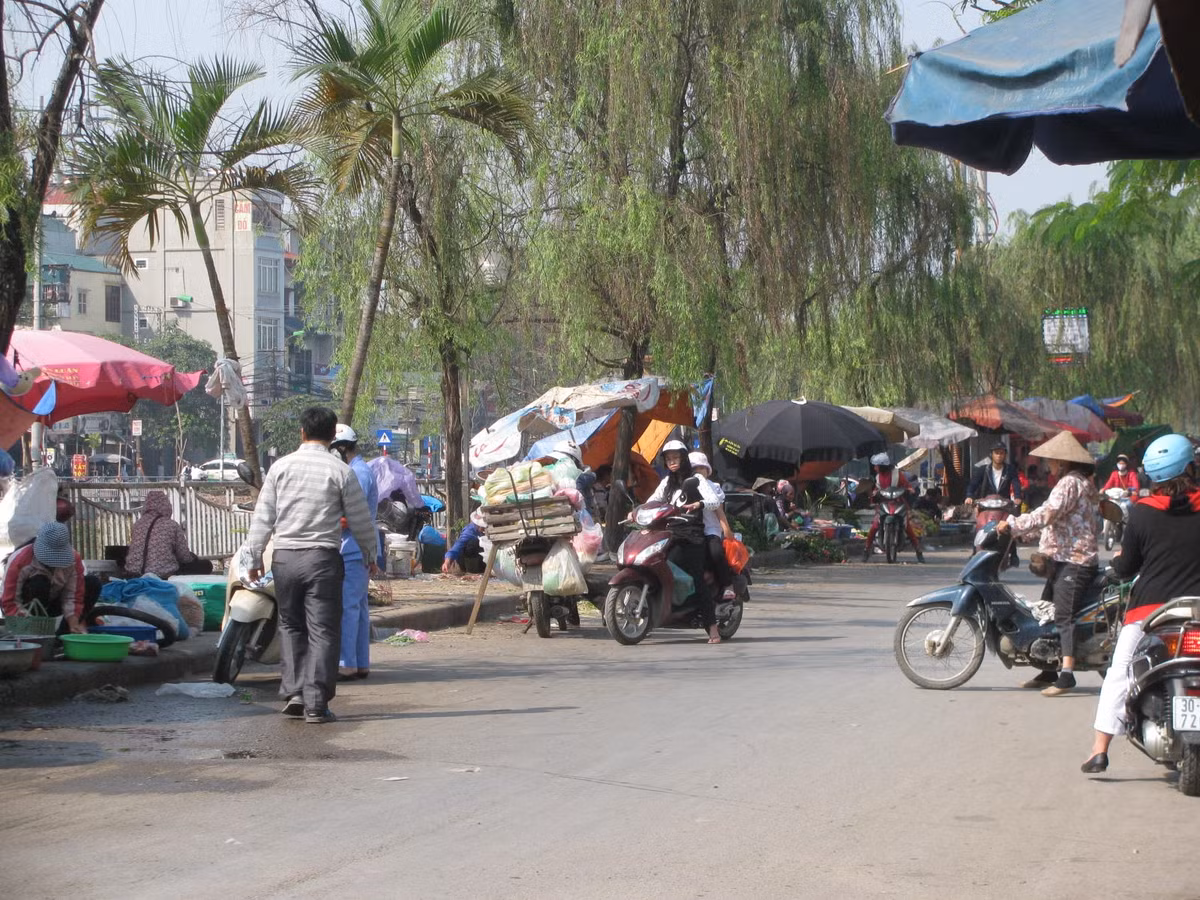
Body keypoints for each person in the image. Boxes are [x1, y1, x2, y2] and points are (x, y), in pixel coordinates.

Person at [245, 407, 378, 725]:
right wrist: (370, 556)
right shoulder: (341, 471)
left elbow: (263, 518)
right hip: (322, 559)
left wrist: (252, 558)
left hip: (285, 558)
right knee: (323, 630)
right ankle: (316, 704)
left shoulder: (281, 467)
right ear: (333, 436)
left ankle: (294, 694)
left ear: (302, 433)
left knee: (291, 627)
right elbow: (360, 520)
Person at [1081, 434, 1200, 773]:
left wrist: (1116, 565)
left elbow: (1128, 566)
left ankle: (1099, 749)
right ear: (1190, 467)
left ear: (1151, 476)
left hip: (1152, 611)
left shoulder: (1143, 514)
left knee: (1119, 671)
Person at [996, 431, 1100, 696]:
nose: (1048, 465)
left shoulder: (1069, 483)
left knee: (1062, 615)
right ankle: (1048, 670)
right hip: (1062, 559)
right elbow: (1056, 522)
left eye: (1051, 460)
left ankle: (1066, 675)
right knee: (1047, 613)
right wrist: (1022, 532)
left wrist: (1014, 524)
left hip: (1075, 561)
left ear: (1062, 461)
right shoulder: (1076, 483)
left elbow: (1048, 513)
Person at [648, 439, 723, 643]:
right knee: (654, 564)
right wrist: (636, 512)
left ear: (683, 458)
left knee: (696, 578)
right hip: (670, 533)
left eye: (676, 457)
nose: (672, 461)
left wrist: (699, 503)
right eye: (668, 459)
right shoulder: (667, 482)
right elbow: (652, 501)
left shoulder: (696, 479)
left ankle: (712, 627)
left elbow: (714, 501)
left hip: (692, 535)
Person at [330, 424, 379, 681]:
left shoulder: (357, 474)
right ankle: (360, 662)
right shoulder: (360, 469)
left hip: (352, 547)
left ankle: (346, 663)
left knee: (348, 606)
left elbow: (351, 516)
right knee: (358, 606)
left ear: (340, 449)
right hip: (359, 547)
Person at [1, 522, 92, 634]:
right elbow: (10, 599)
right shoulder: (20, 559)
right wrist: (27, 623)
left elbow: (72, 596)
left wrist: (74, 621)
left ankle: (65, 634)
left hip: (53, 603)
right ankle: (37, 631)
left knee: (92, 583)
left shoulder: (73, 559)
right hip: (24, 607)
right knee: (40, 582)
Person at [124, 490, 215, 579]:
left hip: (134, 574)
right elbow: (184, 558)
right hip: (162, 575)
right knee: (206, 565)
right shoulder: (171, 525)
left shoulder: (138, 524)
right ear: (166, 506)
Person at [861, 453, 924, 563]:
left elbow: (906, 484)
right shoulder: (878, 477)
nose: (875, 468)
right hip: (884, 503)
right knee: (875, 526)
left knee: (907, 527)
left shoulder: (898, 474)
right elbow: (877, 488)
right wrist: (875, 493)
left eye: (876, 465)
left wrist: (910, 489)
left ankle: (918, 551)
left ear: (882, 466)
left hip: (898, 502)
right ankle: (866, 550)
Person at [689, 451, 736, 601]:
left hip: (710, 530)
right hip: (689, 530)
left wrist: (726, 530)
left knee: (715, 552)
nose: (698, 472)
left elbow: (719, 510)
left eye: (701, 468)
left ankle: (728, 585)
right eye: (694, 469)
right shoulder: (685, 487)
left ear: (707, 470)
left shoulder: (713, 487)